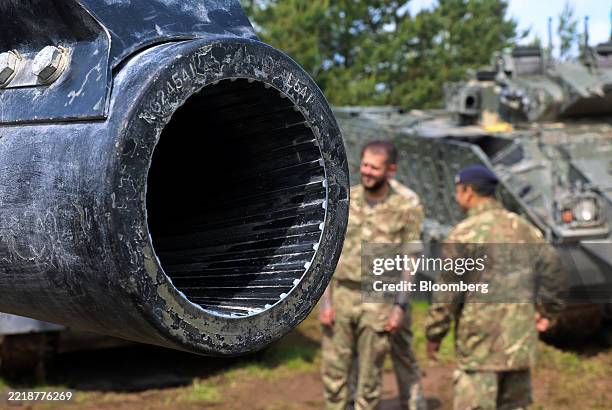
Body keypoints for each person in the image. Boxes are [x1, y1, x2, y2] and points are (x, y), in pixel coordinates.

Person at [424, 164, 568, 410]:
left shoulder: (463, 234)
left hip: (480, 348)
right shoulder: (524, 229)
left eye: (458, 191)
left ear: (468, 192)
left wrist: (434, 333)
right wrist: (548, 313)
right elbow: (555, 270)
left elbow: (447, 293)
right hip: (519, 344)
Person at [320, 141, 424, 410]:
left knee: (369, 379)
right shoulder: (347, 199)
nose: (366, 171)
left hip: (380, 296)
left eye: (374, 168)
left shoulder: (406, 206)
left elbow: (410, 259)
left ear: (391, 170)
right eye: (364, 164)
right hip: (342, 291)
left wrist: (399, 307)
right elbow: (329, 250)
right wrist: (326, 303)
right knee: (334, 373)